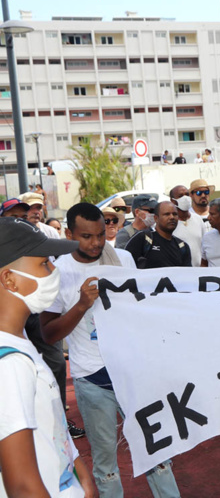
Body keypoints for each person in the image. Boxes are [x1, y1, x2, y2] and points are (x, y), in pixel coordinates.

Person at [40, 203, 182, 497]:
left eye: (100, 235)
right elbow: (49, 332)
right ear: (69, 234)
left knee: (158, 455)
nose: (95, 243)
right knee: (106, 466)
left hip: (134, 373)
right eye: (86, 236)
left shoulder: (124, 259)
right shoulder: (59, 272)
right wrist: (81, 305)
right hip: (92, 380)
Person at [0, 217, 95, 498]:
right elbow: (23, 486)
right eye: (43, 263)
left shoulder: (21, 340)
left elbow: (49, 424)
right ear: (9, 279)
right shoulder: (9, 364)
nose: (54, 270)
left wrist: (79, 471)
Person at [125, 202, 192, 268]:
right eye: (166, 214)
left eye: (175, 214)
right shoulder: (143, 239)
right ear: (156, 218)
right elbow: (126, 265)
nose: (172, 217)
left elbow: (187, 274)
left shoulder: (183, 247)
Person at [170, 185, 207, 267]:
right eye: (180, 196)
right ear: (173, 201)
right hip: (180, 272)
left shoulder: (198, 219)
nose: (185, 198)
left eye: (187, 194)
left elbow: (205, 245)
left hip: (199, 271)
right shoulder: (170, 223)